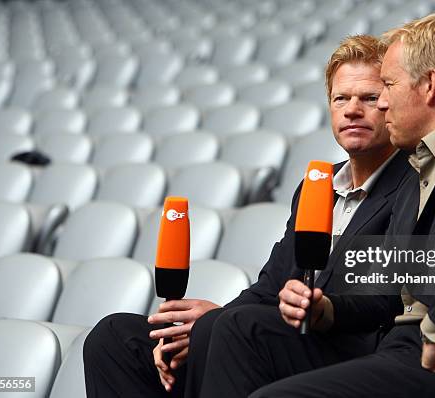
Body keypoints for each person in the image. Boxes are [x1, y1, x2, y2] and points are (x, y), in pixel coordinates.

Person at [199, 13, 435, 398]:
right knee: (243, 333)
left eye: (389, 85)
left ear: (429, 86)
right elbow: (389, 291)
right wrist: (326, 310)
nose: (382, 102)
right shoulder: (420, 172)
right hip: (403, 353)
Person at [83, 34, 412, 398]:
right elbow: (270, 286)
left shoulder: (414, 185)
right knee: (115, 337)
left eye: (368, 98)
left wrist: (228, 324)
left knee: (234, 328)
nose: (352, 110)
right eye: (341, 99)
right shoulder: (316, 185)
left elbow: (388, 298)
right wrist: (207, 321)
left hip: (348, 352)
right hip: (277, 338)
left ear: (392, 103)